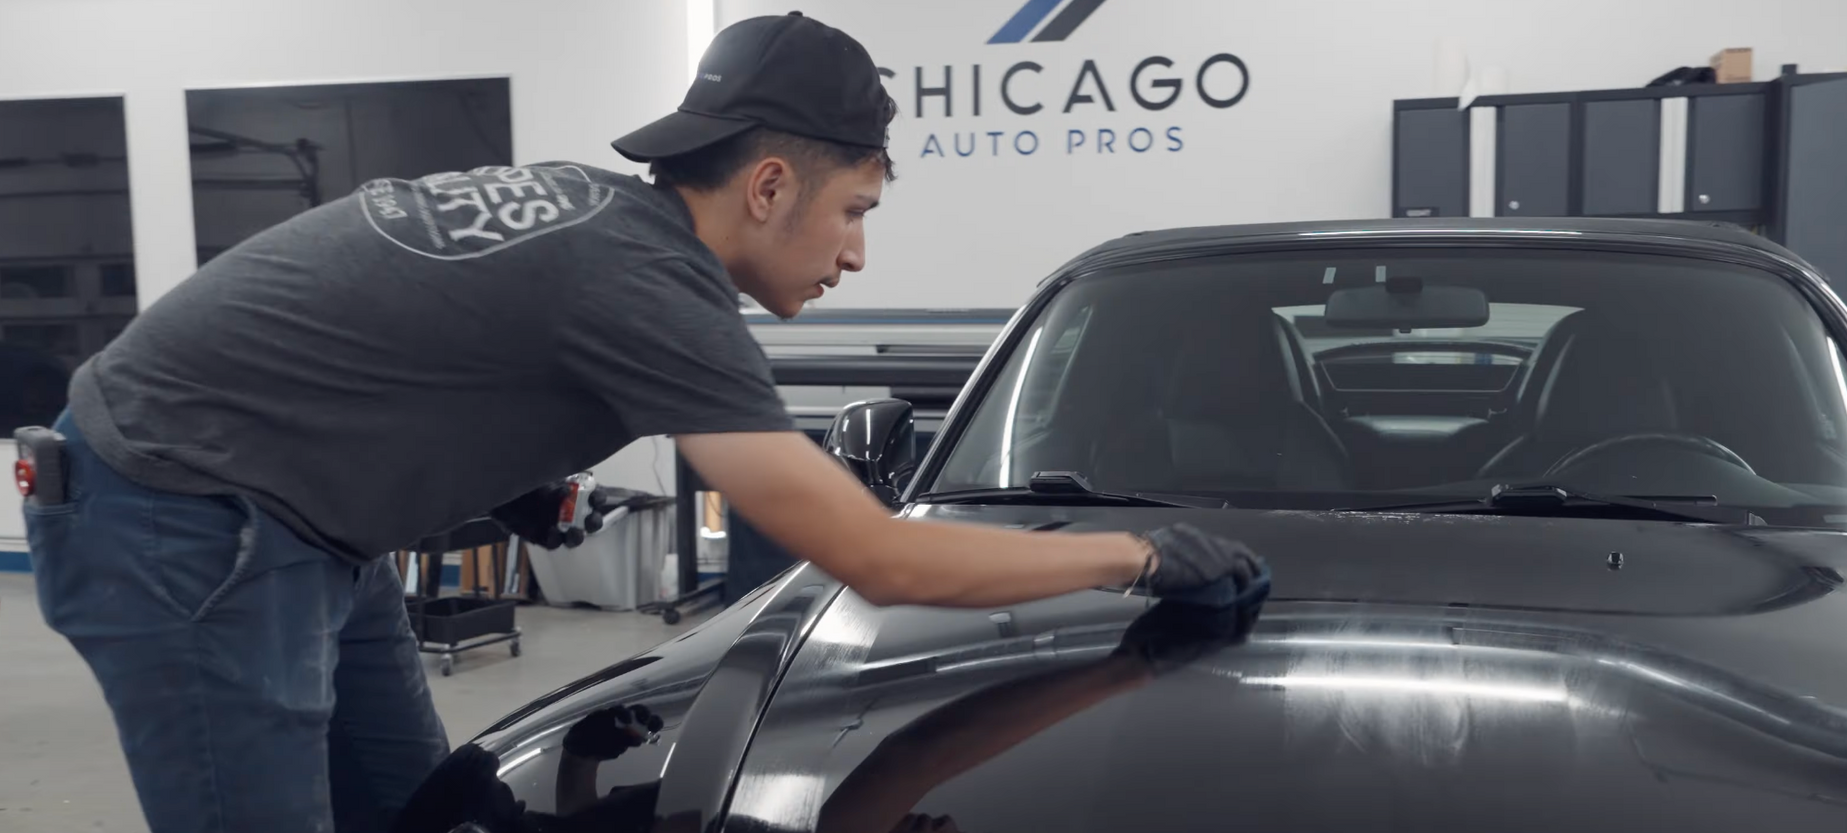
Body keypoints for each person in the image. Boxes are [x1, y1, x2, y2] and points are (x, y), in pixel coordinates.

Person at [16, 12, 1264, 833]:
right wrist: (1139, 554)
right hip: (186, 521)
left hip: (294, 526)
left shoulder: (601, 219)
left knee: (423, 812)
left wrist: (508, 479)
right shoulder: (646, 279)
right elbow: (880, 555)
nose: (857, 255)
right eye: (854, 211)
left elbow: (401, 337)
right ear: (769, 184)